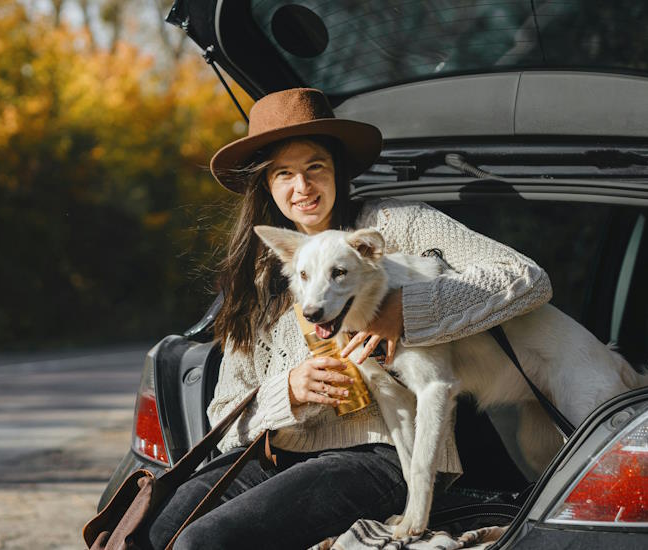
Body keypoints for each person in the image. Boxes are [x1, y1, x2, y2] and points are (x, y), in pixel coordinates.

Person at [140, 88, 552, 549]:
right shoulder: (259, 277)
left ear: (337, 169)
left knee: (205, 543)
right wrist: (288, 391)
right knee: (151, 533)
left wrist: (405, 313)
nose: (303, 187)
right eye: (283, 174)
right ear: (267, 186)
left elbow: (526, 278)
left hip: (381, 453)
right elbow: (222, 417)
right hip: (277, 454)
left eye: (315, 166)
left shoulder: (397, 224)